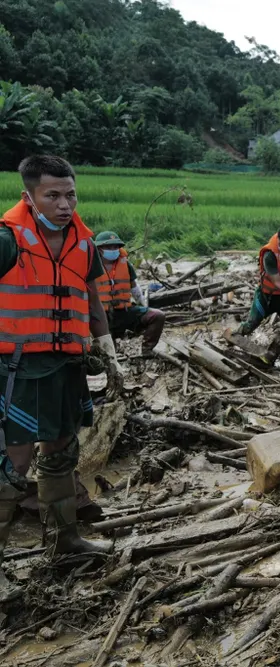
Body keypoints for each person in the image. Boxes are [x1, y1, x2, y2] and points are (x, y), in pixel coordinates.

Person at [0, 156, 126, 602]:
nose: (64, 204)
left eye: (70, 194)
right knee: (12, 463)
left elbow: (90, 298)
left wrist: (108, 350)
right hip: (17, 369)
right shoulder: (7, 241)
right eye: (52, 195)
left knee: (61, 451)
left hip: (67, 366)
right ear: (29, 196)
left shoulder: (84, 245)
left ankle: (64, 542)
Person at [92, 231, 165, 356]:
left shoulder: (125, 264)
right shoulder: (90, 266)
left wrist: (142, 304)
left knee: (157, 316)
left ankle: (147, 351)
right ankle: (109, 354)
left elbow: (134, 288)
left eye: (115, 247)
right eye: (108, 247)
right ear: (99, 248)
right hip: (102, 315)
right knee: (109, 353)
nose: (113, 250)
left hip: (125, 311)